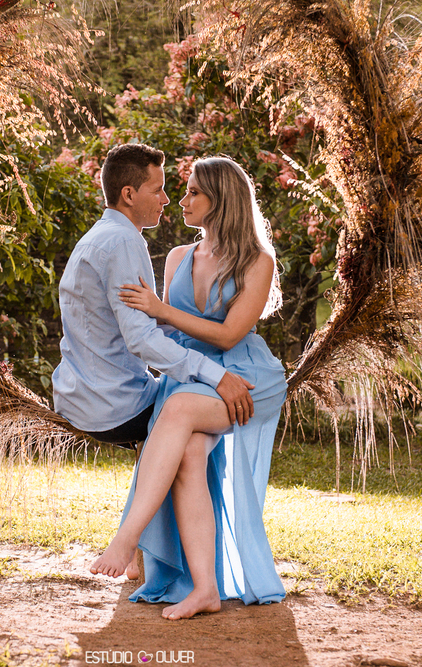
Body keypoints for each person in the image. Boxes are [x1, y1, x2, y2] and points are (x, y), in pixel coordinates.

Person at [89, 155, 287, 620]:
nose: (181, 199)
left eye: (194, 191)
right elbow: (168, 339)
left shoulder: (258, 261)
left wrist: (161, 309)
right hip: (197, 376)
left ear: (221, 200)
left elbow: (227, 335)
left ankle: (125, 539)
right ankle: (204, 588)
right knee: (190, 455)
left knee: (176, 412)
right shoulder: (178, 257)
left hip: (244, 378)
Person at [51, 141, 256, 451]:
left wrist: (178, 324)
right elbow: (142, 340)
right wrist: (218, 376)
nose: (167, 199)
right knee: (208, 408)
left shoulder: (99, 236)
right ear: (129, 195)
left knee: (191, 411)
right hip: (114, 409)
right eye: (157, 189)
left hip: (78, 398)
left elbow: (137, 326)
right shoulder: (123, 243)